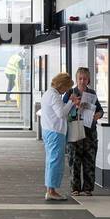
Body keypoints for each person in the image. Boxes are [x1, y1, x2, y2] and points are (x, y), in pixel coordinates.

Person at [67, 67, 103, 196]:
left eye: (85, 78)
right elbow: (63, 112)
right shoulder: (70, 93)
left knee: (89, 160)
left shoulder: (92, 93)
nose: (82, 81)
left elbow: (100, 110)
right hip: (75, 130)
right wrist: (75, 107)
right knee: (74, 160)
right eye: (80, 78)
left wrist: (97, 115)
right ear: (76, 79)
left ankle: (88, 188)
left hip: (89, 132)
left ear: (88, 80)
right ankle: (75, 188)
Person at [39, 72, 76, 201]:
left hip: (49, 130)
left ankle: (50, 188)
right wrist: (71, 102)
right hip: (55, 132)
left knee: (51, 160)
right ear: (61, 85)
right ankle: (52, 191)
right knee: (55, 161)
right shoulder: (54, 96)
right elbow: (61, 114)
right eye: (66, 87)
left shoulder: (48, 93)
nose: (66, 90)